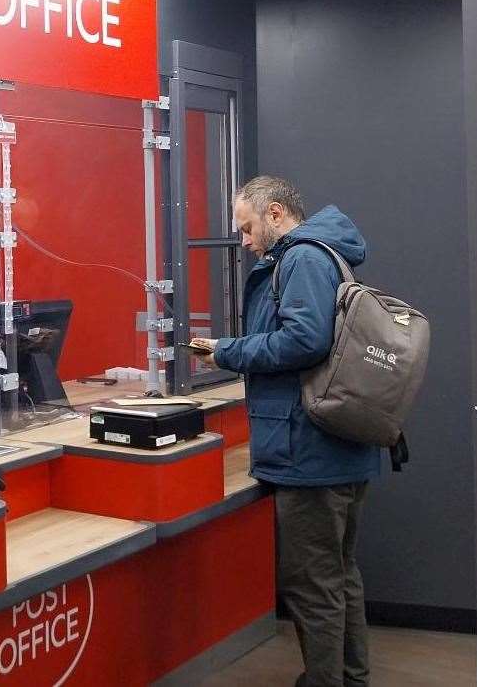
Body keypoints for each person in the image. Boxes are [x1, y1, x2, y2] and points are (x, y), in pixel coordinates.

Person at [191, 175, 377, 687]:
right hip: (337, 444)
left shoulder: (301, 259)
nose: (244, 241)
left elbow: (302, 341)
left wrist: (227, 351)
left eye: (247, 228)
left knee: (314, 586)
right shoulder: (327, 255)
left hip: (310, 451)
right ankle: (349, 679)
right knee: (338, 578)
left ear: (275, 214)